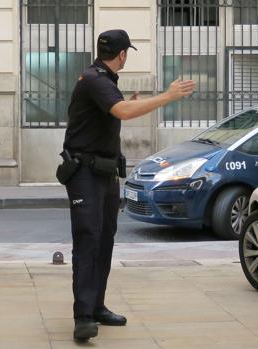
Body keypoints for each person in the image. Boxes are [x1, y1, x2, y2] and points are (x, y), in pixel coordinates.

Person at [60, 29, 195, 342]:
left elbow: (115, 110)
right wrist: (168, 96)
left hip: (105, 173)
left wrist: (131, 104)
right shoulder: (95, 78)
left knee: (105, 238)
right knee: (88, 240)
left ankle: (96, 306)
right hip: (84, 174)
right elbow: (121, 110)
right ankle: (83, 317)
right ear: (122, 54)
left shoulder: (104, 80)